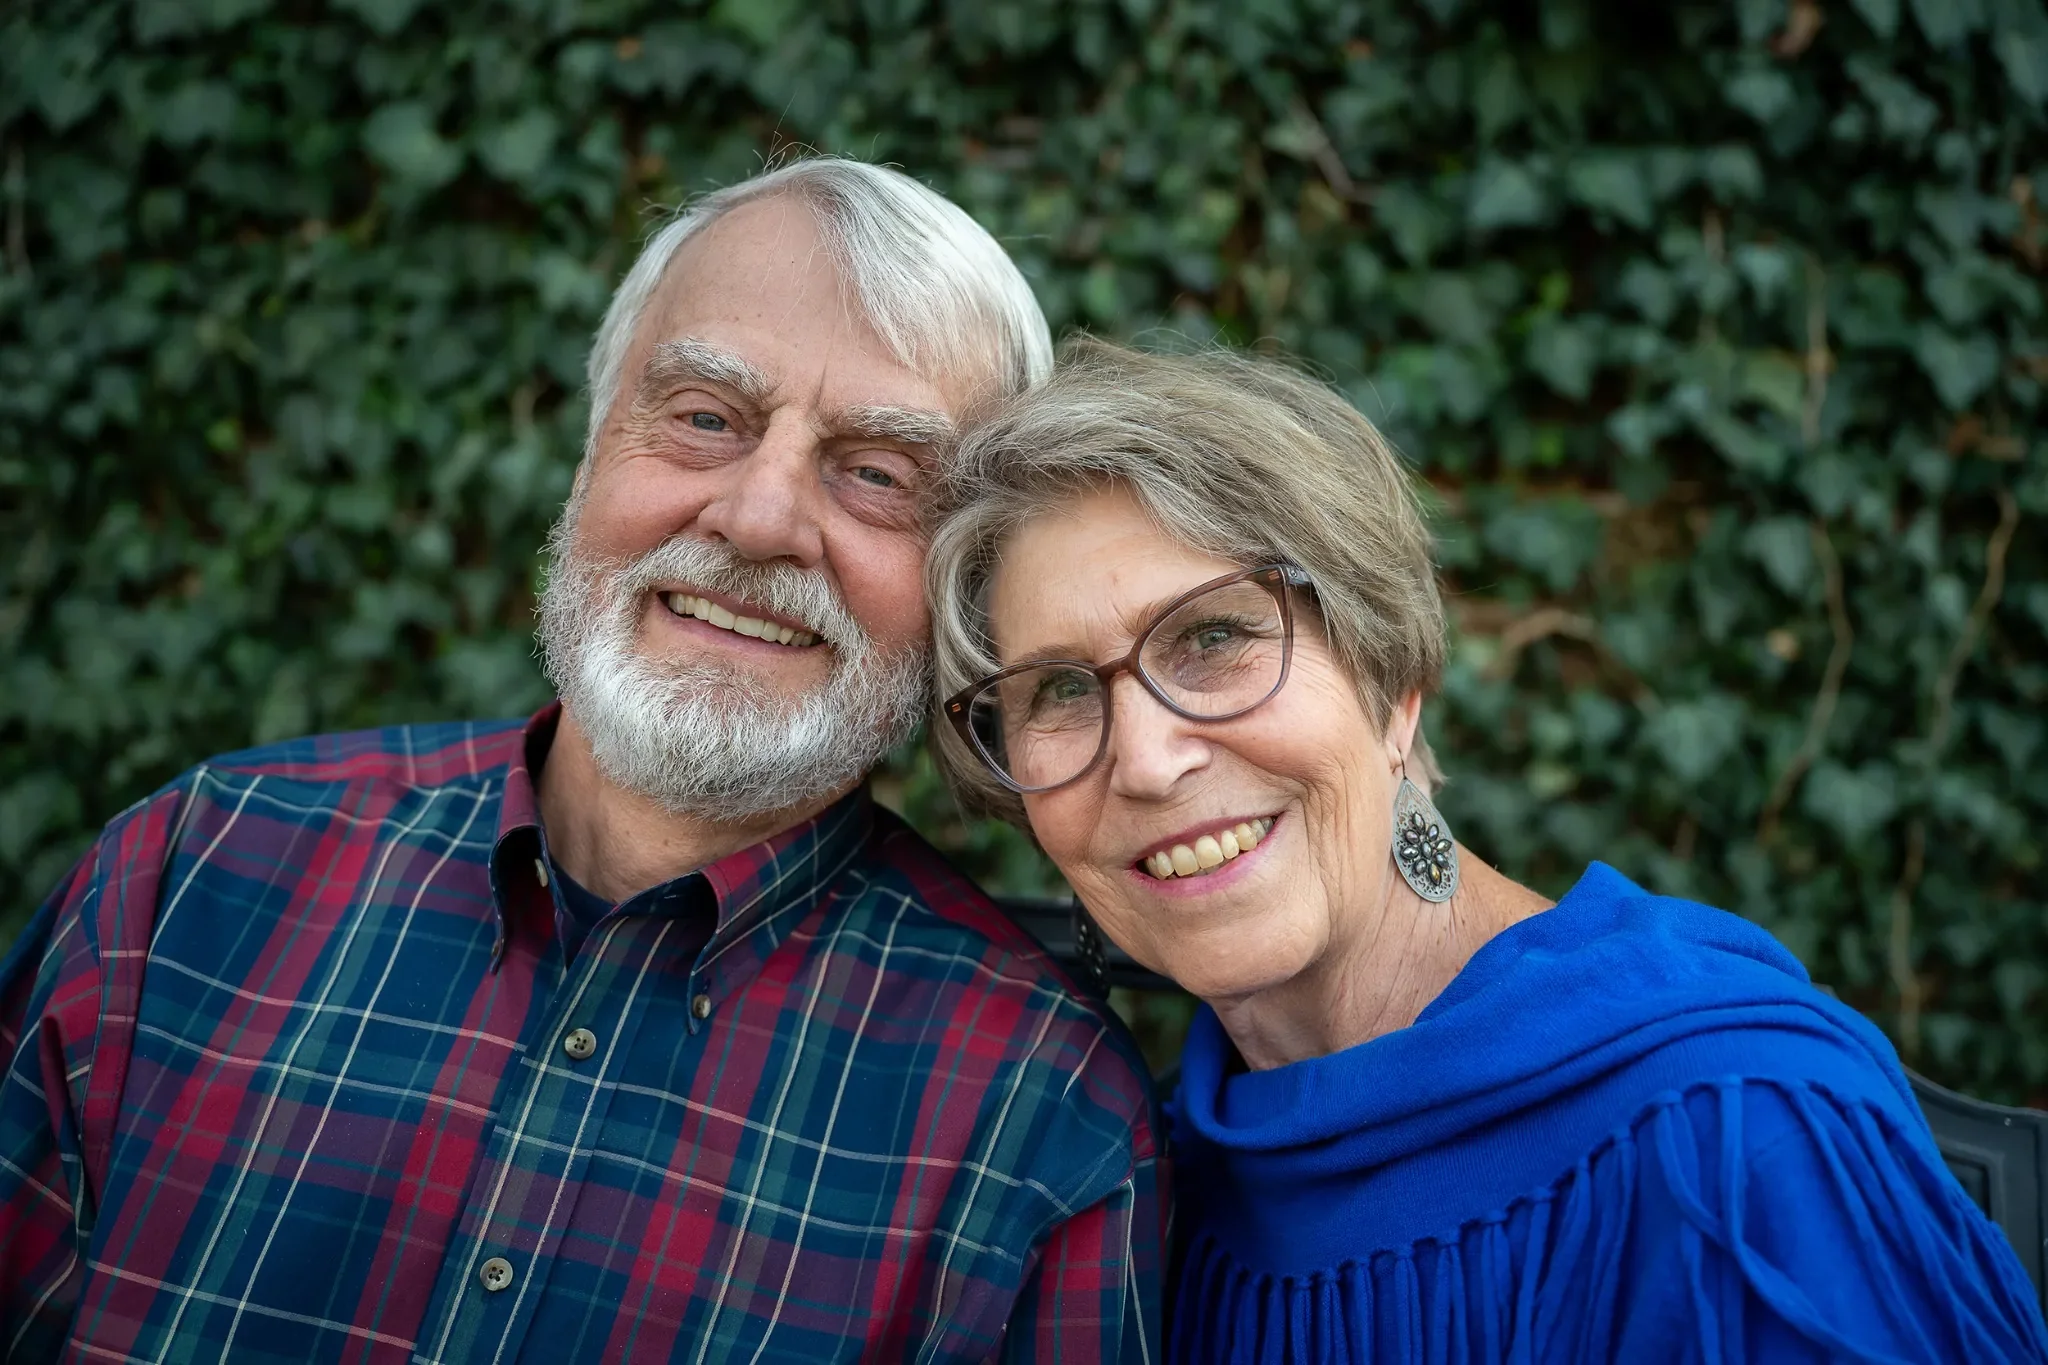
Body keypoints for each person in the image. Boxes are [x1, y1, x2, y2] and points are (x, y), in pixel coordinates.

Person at [0, 161, 1161, 1363]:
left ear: (964, 583)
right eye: (705, 417)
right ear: (593, 442)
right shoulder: (191, 875)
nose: (757, 519)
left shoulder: (1039, 1119)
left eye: (875, 474)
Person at [925, 338, 2048, 1362]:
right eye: (1059, 692)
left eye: (1213, 637)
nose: (1146, 760)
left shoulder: (1730, 1132)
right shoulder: (1145, 1186)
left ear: (1392, 686)